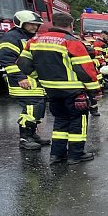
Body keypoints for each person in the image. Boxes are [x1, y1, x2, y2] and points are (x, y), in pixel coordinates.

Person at [18, 12, 100, 165]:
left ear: (53, 24)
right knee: (77, 122)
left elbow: (23, 64)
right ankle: (76, 155)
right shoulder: (71, 42)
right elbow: (85, 70)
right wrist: (94, 91)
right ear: (70, 25)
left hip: (51, 91)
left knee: (60, 122)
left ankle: (56, 155)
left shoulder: (34, 40)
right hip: (74, 91)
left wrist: (39, 77)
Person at [0, 10, 50, 150]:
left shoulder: (30, 37)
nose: (33, 27)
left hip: (33, 80)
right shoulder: (12, 37)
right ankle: (25, 138)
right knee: (31, 108)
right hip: (21, 81)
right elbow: (5, 59)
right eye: (30, 24)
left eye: (35, 25)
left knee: (38, 108)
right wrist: (20, 77)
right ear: (21, 23)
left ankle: (32, 134)